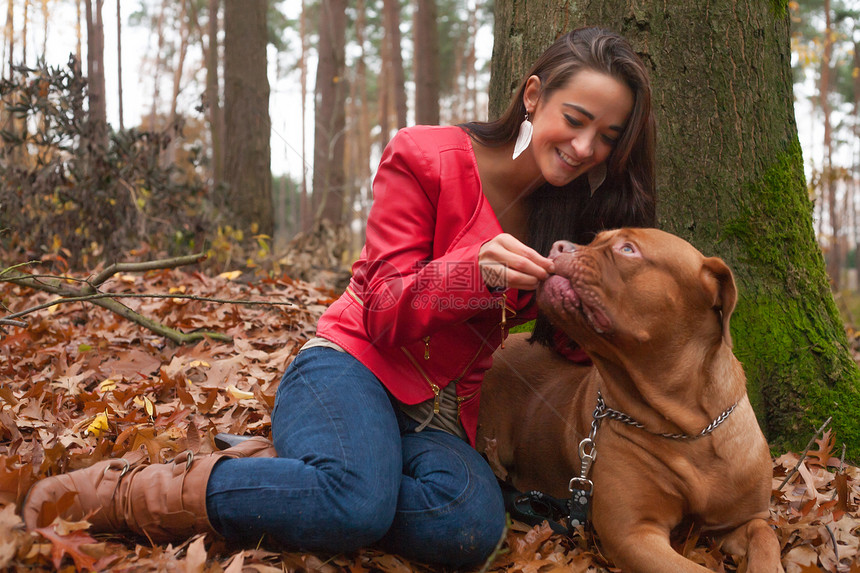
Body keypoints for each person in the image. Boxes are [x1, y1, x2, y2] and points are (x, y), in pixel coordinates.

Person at [23, 27, 656, 568]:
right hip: (347, 366)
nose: (584, 148)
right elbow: (380, 308)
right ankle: (125, 493)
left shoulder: (569, 219)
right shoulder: (427, 156)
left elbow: (570, 348)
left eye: (606, 137)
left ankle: (303, 476)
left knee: (468, 527)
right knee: (356, 503)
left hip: (438, 417)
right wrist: (473, 273)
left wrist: (593, 298)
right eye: (575, 121)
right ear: (534, 96)